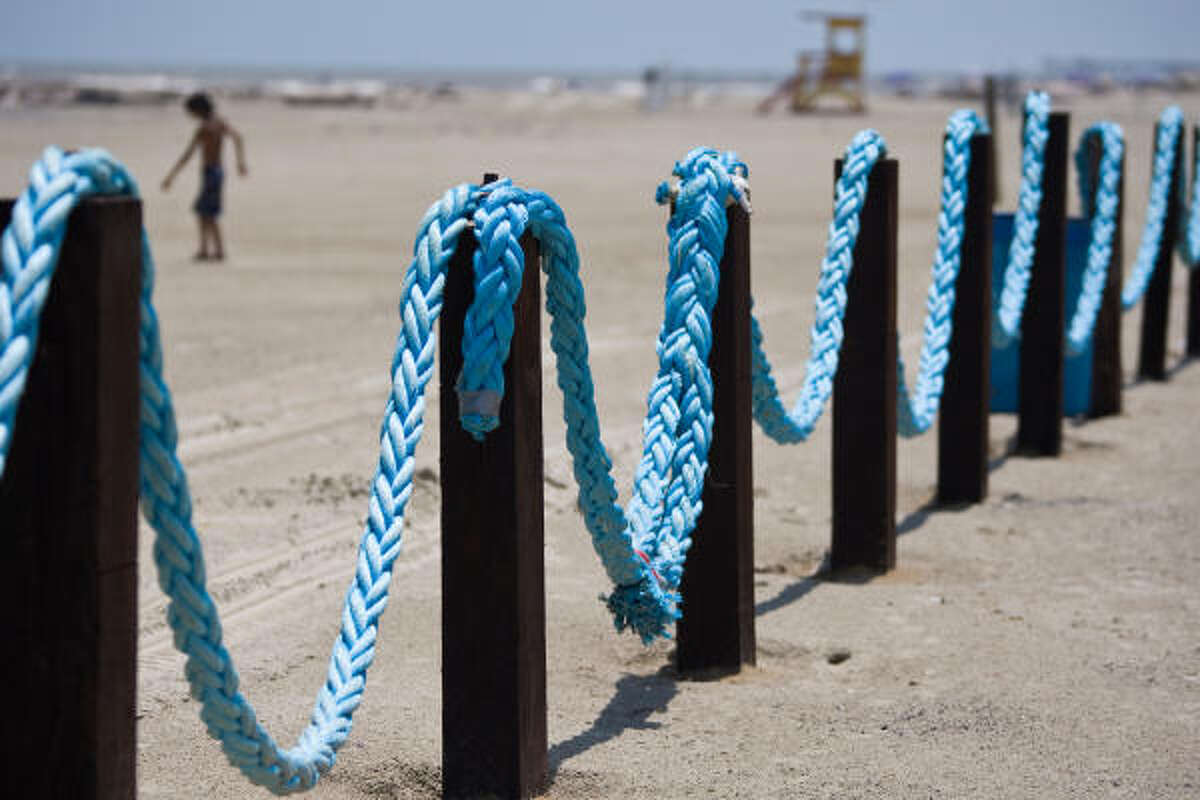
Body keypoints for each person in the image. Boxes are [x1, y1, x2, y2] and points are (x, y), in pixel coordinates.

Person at [162, 92, 247, 261]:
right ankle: (208, 249)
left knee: (207, 212)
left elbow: (188, 154)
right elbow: (238, 137)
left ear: (198, 110)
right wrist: (240, 163)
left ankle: (214, 250)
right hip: (218, 171)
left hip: (210, 172)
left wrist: (171, 176)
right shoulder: (220, 122)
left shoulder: (204, 128)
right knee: (205, 212)